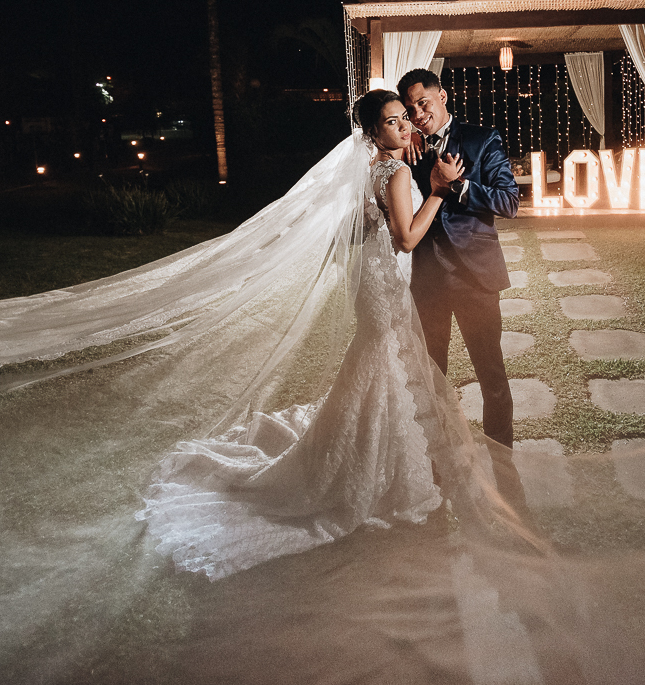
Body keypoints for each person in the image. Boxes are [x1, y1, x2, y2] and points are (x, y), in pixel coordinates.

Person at [134, 91, 528, 580]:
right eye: (394, 120)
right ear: (373, 132)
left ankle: (396, 457)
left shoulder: (371, 167)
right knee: (392, 365)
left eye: (406, 117)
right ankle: (386, 469)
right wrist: (438, 191)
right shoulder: (396, 170)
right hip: (391, 281)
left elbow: (367, 223)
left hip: (384, 279)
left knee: (385, 365)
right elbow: (406, 238)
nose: (407, 125)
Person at [398, 69, 520, 447]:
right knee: (432, 376)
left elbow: (509, 202)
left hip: (475, 278)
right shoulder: (408, 148)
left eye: (423, 104)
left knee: (491, 375)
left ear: (443, 96)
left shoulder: (482, 139)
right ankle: (441, 453)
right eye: (410, 110)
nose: (418, 115)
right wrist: (405, 143)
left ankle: (502, 456)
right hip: (427, 280)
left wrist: (460, 185)